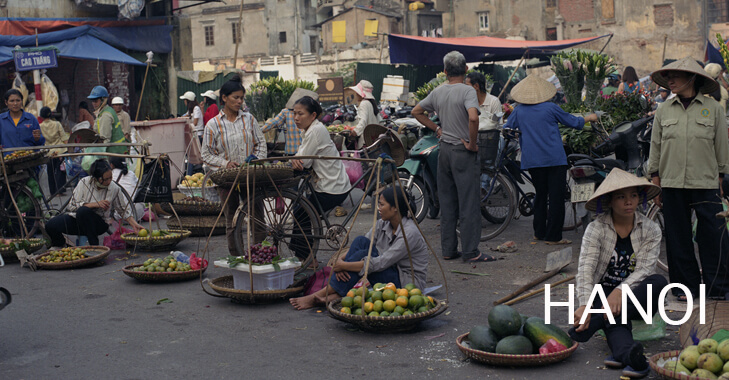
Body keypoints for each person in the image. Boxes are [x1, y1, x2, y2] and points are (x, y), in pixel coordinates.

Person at [570, 168, 667, 379]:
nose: (628, 201)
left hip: (636, 295)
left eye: (633, 195)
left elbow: (645, 269)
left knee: (658, 281)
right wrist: (585, 304)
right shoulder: (596, 229)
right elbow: (586, 269)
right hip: (603, 297)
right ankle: (633, 360)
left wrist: (620, 292)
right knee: (616, 320)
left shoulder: (650, 229)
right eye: (621, 197)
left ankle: (596, 321)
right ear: (609, 201)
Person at [647, 56, 729, 301]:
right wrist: (655, 179)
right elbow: (656, 146)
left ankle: (717, 287)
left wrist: (721, 177)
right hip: (671, 182)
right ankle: (687, 288)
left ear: (692, 78)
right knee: (677, 237)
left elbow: (721, 146)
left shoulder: (713, 108)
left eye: (676, 77)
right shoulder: (663, 110)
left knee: (713, 236)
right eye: (668, 77)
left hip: (705, 182)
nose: (670, 81)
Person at [290, 186, 428, 310]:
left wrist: (344, 265)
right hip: (387, 270)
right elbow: (364, 242)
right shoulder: (383, 223)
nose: (378, 208)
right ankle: (334, 295)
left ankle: (321, 295)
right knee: (360, 241)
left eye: (382, 204)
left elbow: (381, 263)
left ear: (395, 208)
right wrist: (341, 262)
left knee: (365, 258)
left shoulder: (409, 233)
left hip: (405, 283)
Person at [504, 74, 598, 245]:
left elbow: (507, 129)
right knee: (555, 197)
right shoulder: (550, 108)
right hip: (554, 159)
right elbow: (574, 123)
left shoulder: (518, 110)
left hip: (533, 160)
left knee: (541, 194)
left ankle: (538, 232)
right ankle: (554, 236)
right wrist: (589, 118)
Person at [413, 51, 486, 262]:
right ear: (465, 70)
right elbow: (473, 118)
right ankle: (471, 251)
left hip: (443, 151)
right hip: (462, 152)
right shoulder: (468, 91)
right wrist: (472, 144)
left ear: (445, 72)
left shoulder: (438, 91)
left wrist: (437, 129)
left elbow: (416, 111)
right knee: (469, 202)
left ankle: (448, 250)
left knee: (447, 202)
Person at [201, 75, 267, 254]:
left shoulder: (249, 119)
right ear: (224, 98)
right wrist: (225, 163)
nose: (239, 101)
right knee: (232, 220)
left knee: (257, 218)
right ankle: (237, 257)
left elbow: (261, 143)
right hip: (226, 179)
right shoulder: (213, 125)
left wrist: (255, 158)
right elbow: (205, 153)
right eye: (235, 97)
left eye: (241, 98)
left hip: (250, 175)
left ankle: (262, 255)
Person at [290, 96, 351, 265]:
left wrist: (296, 159)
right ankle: (304, 255)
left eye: (300, 114)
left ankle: (309, 258)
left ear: (313, 115)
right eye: (294, 114)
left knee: (300, 212)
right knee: (301, 210)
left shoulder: (315, 131)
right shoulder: (310, 130)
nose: (296, 118)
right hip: (330, 184)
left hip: (332, 188)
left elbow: (303, 162)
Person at [45, 159, 144, 247]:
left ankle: (95, 247)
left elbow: (123, 210)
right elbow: (72, 206)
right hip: (77, 220)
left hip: (99, 224)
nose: (109, 181)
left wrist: (134, 224)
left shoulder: (114, 188)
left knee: (84, 212)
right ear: (96, 178)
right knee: (50, 225)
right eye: (106, 179)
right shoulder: (84, 182)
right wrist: (95, 204)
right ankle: (61, 245)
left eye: (111, 177)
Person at [260, 88, 318, 156]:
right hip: (302, 151)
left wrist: (259, 131)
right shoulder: (288, 112)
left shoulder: (286, 112)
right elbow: (273, 123)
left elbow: (273, 123)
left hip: (296, 150)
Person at [39, 106, 69, 195]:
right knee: (60, 171)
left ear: (41, 116)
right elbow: (64, 138)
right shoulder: (57, 124)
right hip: (60, 151)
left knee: (50, 172)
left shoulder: (40, 126)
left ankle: (53, 191)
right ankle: (60, 190)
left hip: (49, 152)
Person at [87, 86, 126, 154]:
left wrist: (99, 155)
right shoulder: (103, 112)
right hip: (116, 151)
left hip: (114, 152)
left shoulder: (105, 115)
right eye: (92, 101)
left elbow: (105, 140)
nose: (94, 103)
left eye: (96, 101)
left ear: (103, 100)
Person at [347, 80, 380, 149]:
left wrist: (355, 131)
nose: (355, 94)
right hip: (373, 139)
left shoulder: (364, 104)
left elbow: (363, 120)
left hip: (365, 141)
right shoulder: (370, 103)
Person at [109, 156, 144, 221]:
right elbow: (140, 187)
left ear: (111, 165)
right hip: (138, 214)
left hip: (120, 217)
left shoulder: (110, 176)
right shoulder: (131, 174)